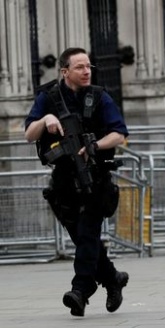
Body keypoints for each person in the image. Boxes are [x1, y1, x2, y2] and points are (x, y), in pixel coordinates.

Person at [24, 47, 129, 317]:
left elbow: (119, 134)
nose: (86, 71)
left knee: (87, 233)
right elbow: (28, 133)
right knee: (83, 237)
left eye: (88, 66)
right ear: (65, 71)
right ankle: (111, 278)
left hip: (95, 176)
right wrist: (46, 119)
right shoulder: (48, 97)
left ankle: (80, 290)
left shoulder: (99, 96)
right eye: (80, 67)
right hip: (63, 179)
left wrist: (95, 145)